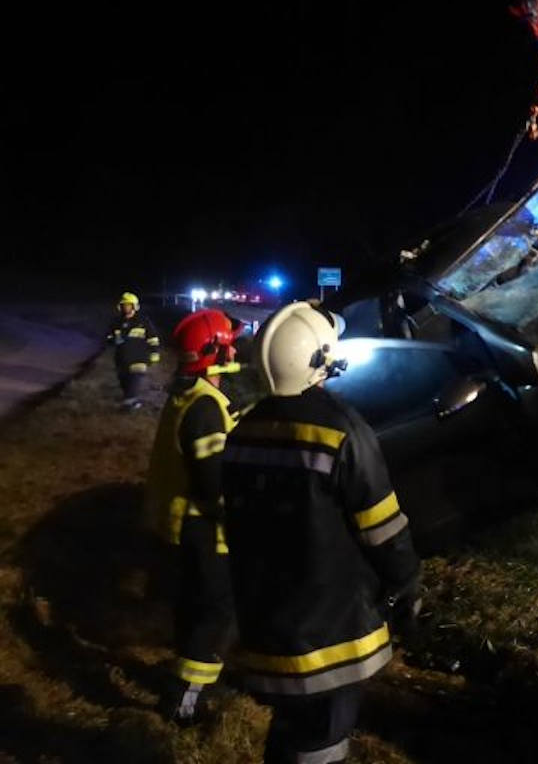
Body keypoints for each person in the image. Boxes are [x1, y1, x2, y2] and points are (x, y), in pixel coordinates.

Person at [221, 301, 421, 764]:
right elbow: (383, 529)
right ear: (320, 359)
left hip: (265, 621)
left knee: (289, 728)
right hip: (332, 631)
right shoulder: (343, 430)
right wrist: (406, 582)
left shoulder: (243, 430)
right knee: (322, 738)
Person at [146, 309, 243, 722]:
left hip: (178, 527)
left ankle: (187, 678)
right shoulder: (204, 407)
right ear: (215, 351)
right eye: (230, 340)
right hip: (203, 530)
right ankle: (185, 702)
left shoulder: (187, 395)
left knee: (192, 610)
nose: (236, 346)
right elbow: (213, 483)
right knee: (217, 616)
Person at [106, 292, 160, 410]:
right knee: (124, 381)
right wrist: (113, 339)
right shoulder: (116, 322)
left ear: (134, 306)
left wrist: (154, 353)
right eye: (124, 305)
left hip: (139, 358)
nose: (126, 307)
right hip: (122, 358)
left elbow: (153, 338)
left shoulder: (143, 321)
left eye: (129, 305)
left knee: (134, 380)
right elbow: (108, 338)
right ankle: (133, 401)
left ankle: (129, 405)